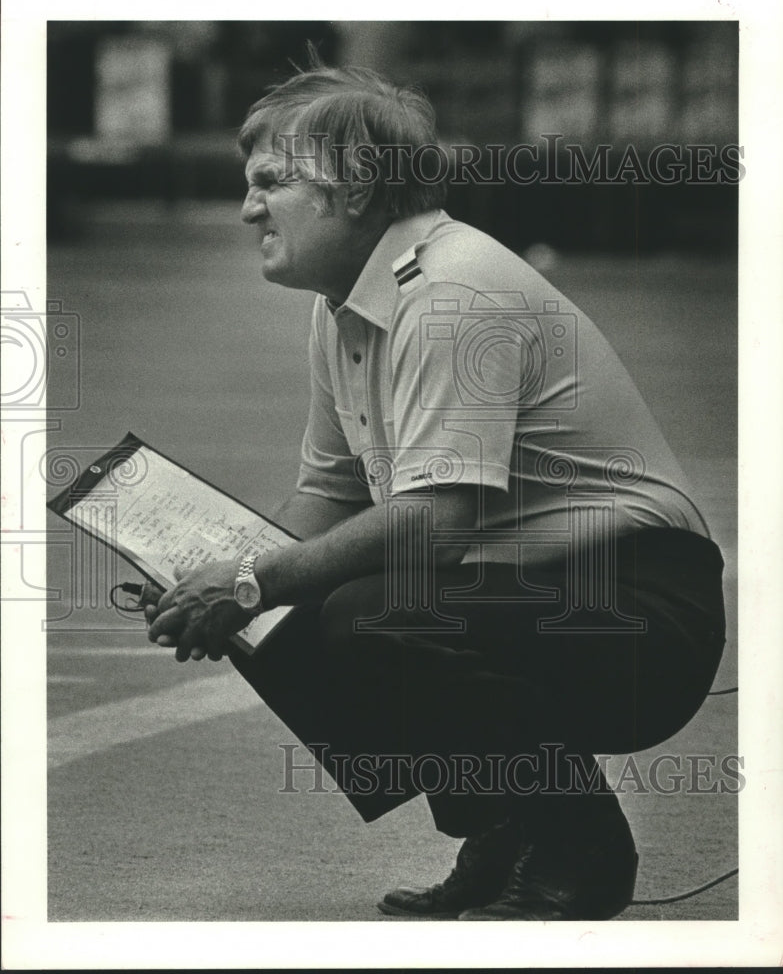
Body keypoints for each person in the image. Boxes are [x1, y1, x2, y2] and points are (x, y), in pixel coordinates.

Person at [145, 60, 727, 921]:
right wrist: (216, 570)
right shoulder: (346, 301)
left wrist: (250, 581)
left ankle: (580, 853)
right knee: (287, 613)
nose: (248, 208)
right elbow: (329, 494)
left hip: (640, 612)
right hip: (548, 594)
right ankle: (505, 825)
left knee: (362, 610)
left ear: (353, 187)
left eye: (271, 182)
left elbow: (432, 529)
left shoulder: (451, 291)